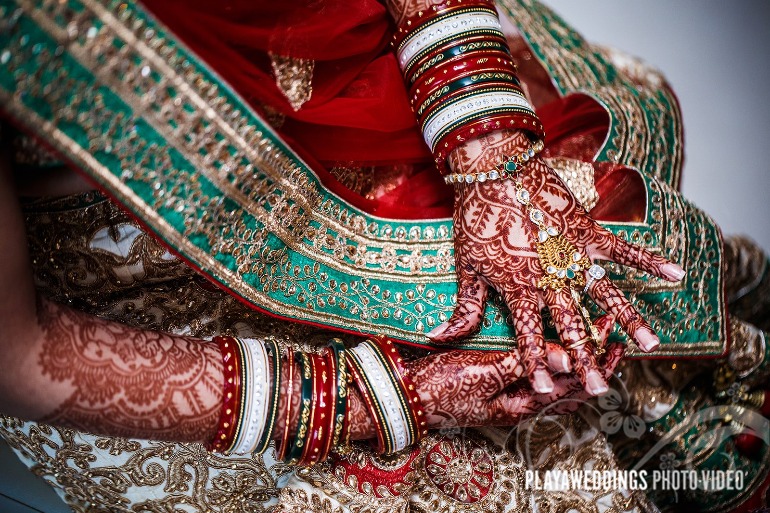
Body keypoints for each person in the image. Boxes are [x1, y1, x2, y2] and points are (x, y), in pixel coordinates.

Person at [0, 0, 768, 511]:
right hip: (160, 310)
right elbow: (17, 354)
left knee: (591, 224)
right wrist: (392, 399)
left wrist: (487, 150)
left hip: (370, 111)